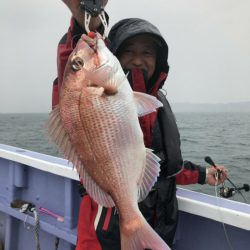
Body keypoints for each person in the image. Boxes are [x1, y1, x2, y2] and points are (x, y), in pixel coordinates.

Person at [52, 2, 228, 249]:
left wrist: (202, 174)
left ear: (159, 61)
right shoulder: (86, 91)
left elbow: (164, 167)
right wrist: (84, 23)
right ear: (115, 53)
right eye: (129, 52)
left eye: (147, 53)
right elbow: (69, 75)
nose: (137, 60)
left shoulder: (157, 102)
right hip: (102, 237)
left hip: (159, 225)